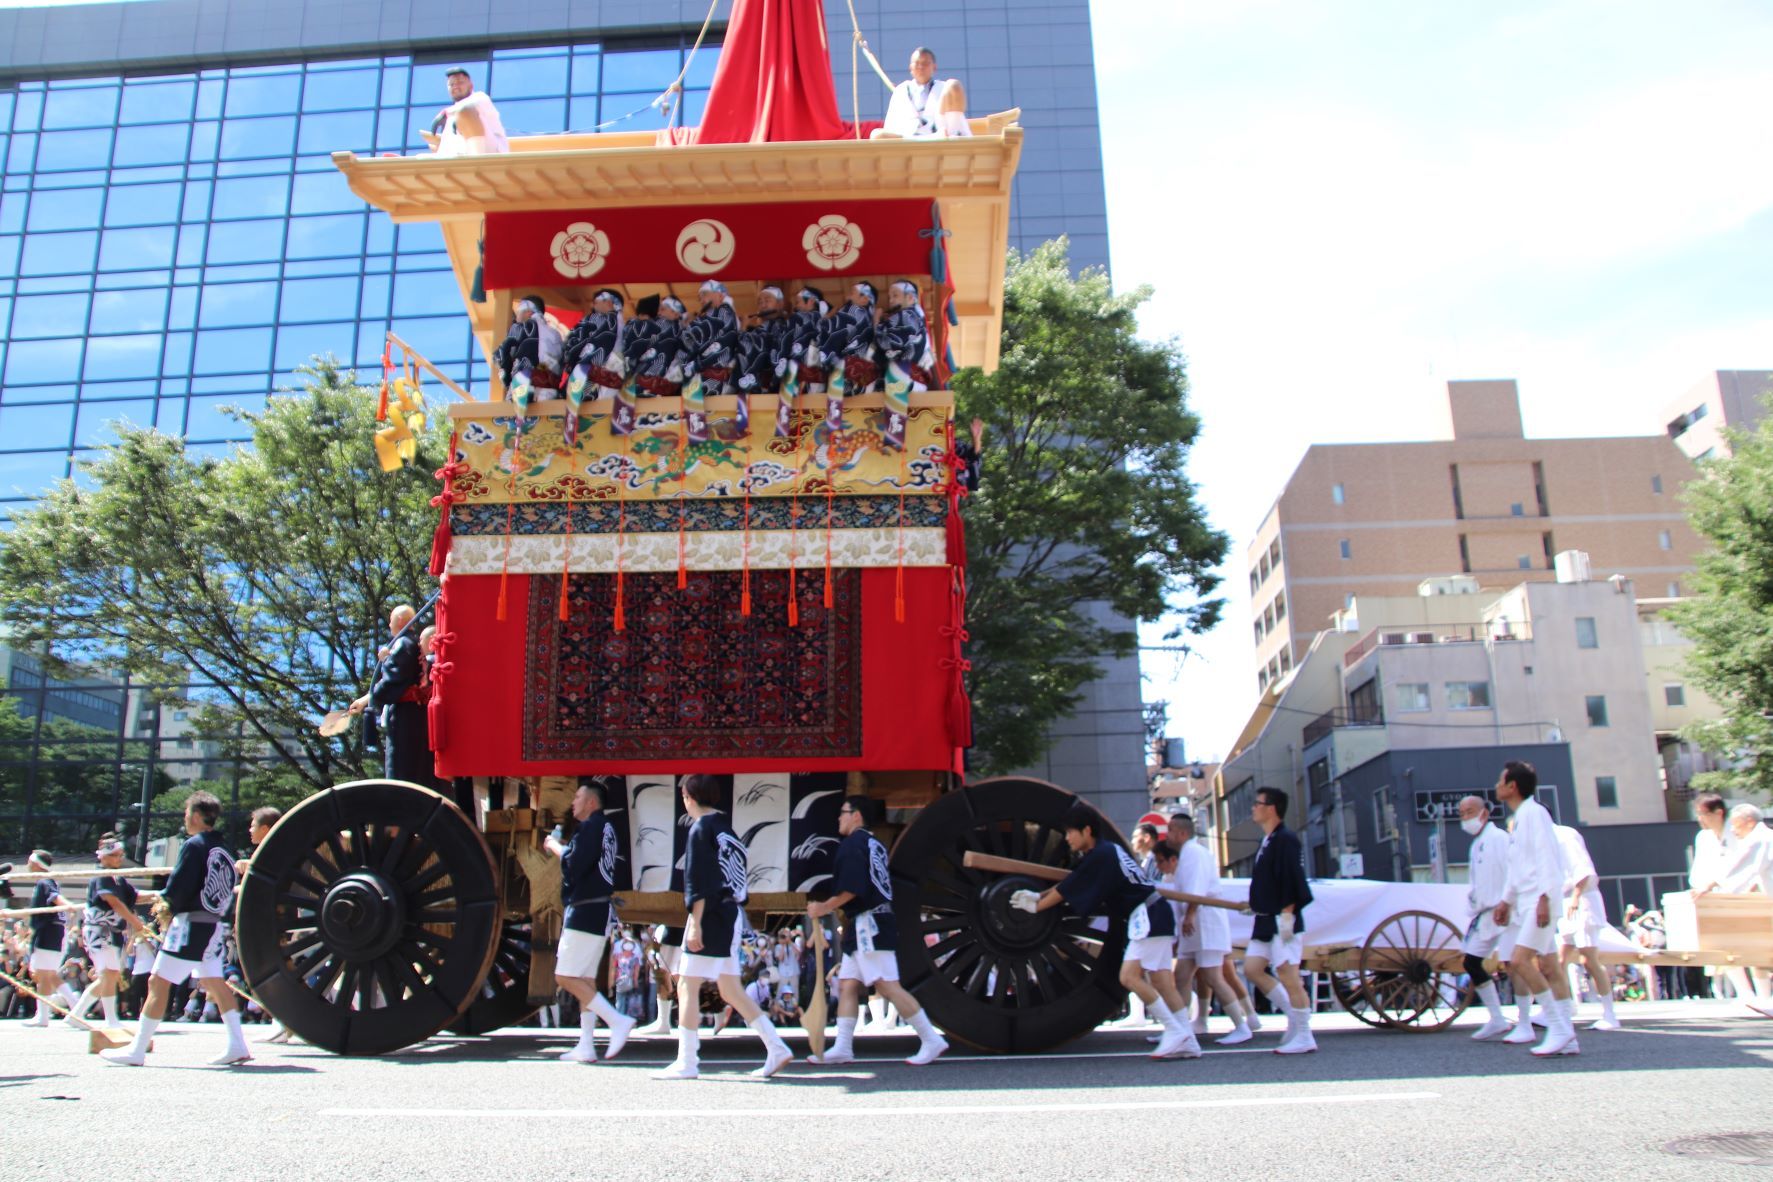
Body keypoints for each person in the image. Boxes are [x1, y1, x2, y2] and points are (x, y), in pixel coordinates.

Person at [1011, 802, 1202, 1061]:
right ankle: (1187, 1039)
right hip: (1157, 912)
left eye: (1070, 832)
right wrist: (1037, 897)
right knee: (1162, 983)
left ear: (1086, 830)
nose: (1067, 838)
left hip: (1147, 917)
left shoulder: (1101, 856)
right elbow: (1069, 883)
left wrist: (1036, 906)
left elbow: (1067, 890)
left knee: (1129, 977)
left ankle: (1175, 1032)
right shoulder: (1106, 851)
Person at [656, 774, 793, 1080]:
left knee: (687, 983)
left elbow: (699, 882)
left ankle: (687, 1060)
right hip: (731, 914)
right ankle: (776, 1046)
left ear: (689, 797)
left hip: (712, 915)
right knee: (730, 989)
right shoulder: (726, 830)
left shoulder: (700, 830)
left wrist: (695, 923)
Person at [105, 791, 250, 1066]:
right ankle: (237, 1043)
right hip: (214, 925)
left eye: (186, 814)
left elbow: (179, 887)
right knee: (216, 983)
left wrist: (165, 902)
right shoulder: (227, 848)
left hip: (190, 925)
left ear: (195, 815)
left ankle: (136, 1050)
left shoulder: (194, 845)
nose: (185, 819)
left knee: (157, 982)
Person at [804, 796, 948, 1066]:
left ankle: (930, 1039)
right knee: (847, 985)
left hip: (868, 926)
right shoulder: (875, 844)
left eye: (843, 813)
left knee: (887, 985)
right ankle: (843, 1046)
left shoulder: (853, 845)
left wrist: (824, 907)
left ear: (856, 815)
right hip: (865, 924)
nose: (839, 818)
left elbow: (851, 888)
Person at [543, 780, 636, 1063]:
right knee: (584, 979)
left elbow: (573, 864)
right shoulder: (604, 828)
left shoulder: (593, 827)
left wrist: (555, 846)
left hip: (585, 909)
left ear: (592, 803)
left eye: (578, 796)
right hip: (597, 909)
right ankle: (586, 1044)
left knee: (565, 976)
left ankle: (616, 1020)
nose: (573, 801)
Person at [1490, 761, 1578, 1058]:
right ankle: (1568, 1035)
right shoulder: (1521, 818)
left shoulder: (1535, 813)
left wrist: (1544, 897)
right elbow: (1517, 870)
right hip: (1528, 901)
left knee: (1519, 961)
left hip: (1540, 901)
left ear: (1512, 785)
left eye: (1501, 780)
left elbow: (1547, 857)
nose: (1497, 785)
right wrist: (1506, 900)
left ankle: (1558, 1026)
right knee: (1550, 967)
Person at [1242, 787, 1317, 1055]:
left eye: (1257, 803)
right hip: (1264, 920)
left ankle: (1305, 1034)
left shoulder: (1286, 839)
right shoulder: (1268, 840)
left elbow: (1291, 881)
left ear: (1271, 807)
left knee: (1288, 973)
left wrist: (1287, 917)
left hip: (1282, 918)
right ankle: (1294, 1020)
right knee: (1252, 969)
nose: (1253, 808)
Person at [1166, 813, 1252, 1044]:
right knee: (1182, 976)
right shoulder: (1189, 853)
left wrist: (1190, 915)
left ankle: (1242, 1026)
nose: (1168, 835)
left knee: (1214, 976)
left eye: (1171, 830)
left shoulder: (1194, 854)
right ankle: (1180, 1029)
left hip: (1203, 921)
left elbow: (1197, 890)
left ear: (1182, 833)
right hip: (1194, 922)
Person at [349, 604, 432, 784]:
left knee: (401, 766)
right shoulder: (413, 644)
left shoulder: (403, 644)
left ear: (400, 621)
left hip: (406, 715)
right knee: (415, 767)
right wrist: (366, 700)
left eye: (391, 621)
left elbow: (393, 680)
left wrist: (386, 659)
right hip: (417, 714)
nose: (389, 625)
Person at [68, 836, 143, 1030]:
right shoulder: (103, 875)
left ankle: (76, 1014)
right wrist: (134, 921)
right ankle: (111, 1020)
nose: (119, 858)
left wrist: (164, 897)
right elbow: (113, 901)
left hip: (112, 933)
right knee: (109, 974)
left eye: (120, 854)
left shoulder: (117, 878)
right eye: (114, 855)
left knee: (108, 976)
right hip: (100, 931)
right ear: (103, 856)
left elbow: (135, 897)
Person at [1552, 823, 1621, 1031]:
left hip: (1582, 900)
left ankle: (1609, 1013)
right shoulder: (1546, 838)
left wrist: (1576, 896)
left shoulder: (1564, 836)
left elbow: (1582, 868)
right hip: (1564, 901)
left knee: (1589, 960)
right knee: (1560, 960)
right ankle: (1566, 1006)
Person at [1458, 795, 1514, 1041]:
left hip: (1507, 910)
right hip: (1486, 913)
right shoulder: (1476, 844)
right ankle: (1498, 1018)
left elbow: (1513, 873)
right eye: (1461, 813)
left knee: (1516, 964)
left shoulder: (1499, 838)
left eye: (1470, 811)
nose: (1466, 817)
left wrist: (1507, 902)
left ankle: (1533, 1017)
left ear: (1484, 812)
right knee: (1471, 962)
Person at [1717, 803, 1773, 1015]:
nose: (1732, 830)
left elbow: (1739, 871)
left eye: (1735, 824)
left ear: (1749, 821)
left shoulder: (1759, 839)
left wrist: (1712, 886)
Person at [22, 850, 77, 1026]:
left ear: (37, 864)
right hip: (52, 933)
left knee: (43, 975)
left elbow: (55, 897)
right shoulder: (47, 882)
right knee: (50, 975)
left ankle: (43, 1016)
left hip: (48, 933)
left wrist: (68, 905)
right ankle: (76, 1007)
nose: (28, 865)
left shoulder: (44, 882)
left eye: (30, 862)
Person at [422, 67, 509, 157]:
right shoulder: (450, 118)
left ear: (470, 85)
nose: (455, 86)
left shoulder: (480, 98)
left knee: (465, 111)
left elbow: (467, 107)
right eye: (451, 84)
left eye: (460, 82)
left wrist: (446, 113)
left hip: (490, 155)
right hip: (460, 160)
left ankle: (477, 161)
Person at [494, 295, 565, 405]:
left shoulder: (519, 328)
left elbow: (500, 356)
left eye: (519, 310)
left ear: (528, 311)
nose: (517, 315)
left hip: (523, 387)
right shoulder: (555, 334)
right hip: (549, 390)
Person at [879, 47, 948, 139]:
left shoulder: (945, 88)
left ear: (934, 67)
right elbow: (890, 125)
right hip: (907, 139)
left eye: (925, 63)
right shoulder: (901, 90)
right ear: (911, 68)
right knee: (877, 135)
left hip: (936, 137)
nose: (921, 67)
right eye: (917, 63)